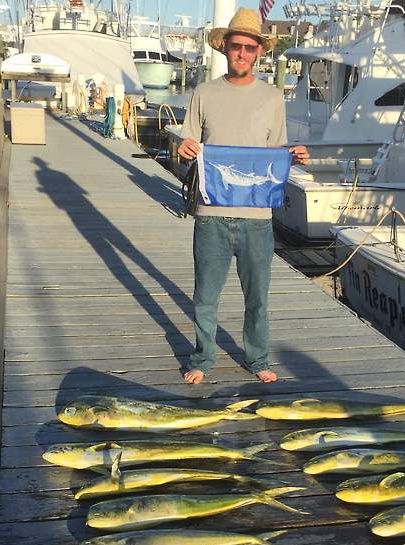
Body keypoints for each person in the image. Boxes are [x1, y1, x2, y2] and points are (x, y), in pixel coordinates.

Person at [177, 8, 309, 385]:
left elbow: (276, 151)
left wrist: (294, 156)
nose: (242, 54)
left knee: (258, 299)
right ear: (226, 49)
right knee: (205, 295)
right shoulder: (203, 93)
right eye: (236, 46)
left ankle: (257, 358)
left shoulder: (272, 98)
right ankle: (202, 358)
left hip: (257, 219)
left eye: (250, 48)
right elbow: (188, 140)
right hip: (211, 213)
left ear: (258, 53)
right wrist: (185, 146)